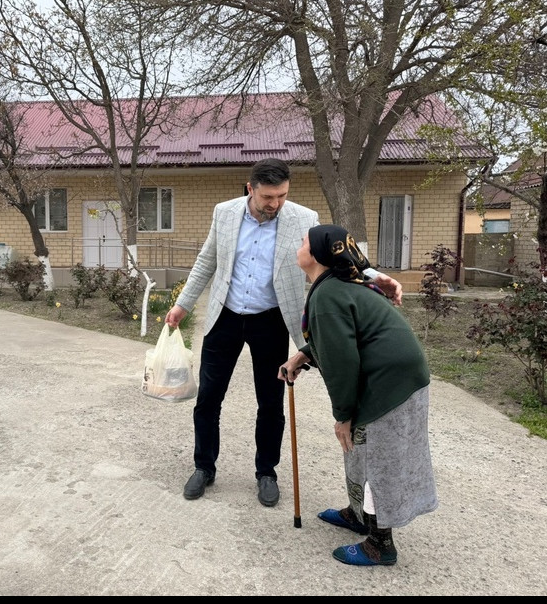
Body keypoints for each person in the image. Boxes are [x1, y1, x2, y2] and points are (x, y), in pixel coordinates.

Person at [164, 158, 403, 507]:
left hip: (271, 320)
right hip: (225, 317)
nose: (275, 203)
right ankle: (204, 466)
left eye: (282, 195)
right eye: (267, 197)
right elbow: (207, 260)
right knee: (209, 399)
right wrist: (183, 304)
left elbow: (339, 255)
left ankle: (266, 472)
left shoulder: (304, 219)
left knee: (271, 403)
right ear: (251, 189)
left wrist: (373, 277)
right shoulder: (224, 213)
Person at [280, 224, 438, 566]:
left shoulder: (328, 294)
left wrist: (344, 416)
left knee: (377, 457)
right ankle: (358, 513)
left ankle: (381, 545)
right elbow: (340, 337)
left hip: (391, 384)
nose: (299, 245)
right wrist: (302, 355)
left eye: (305, 241)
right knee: (359, 450)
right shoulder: (338, 286)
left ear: (319, 255)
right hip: (393, 374)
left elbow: (342, 362)